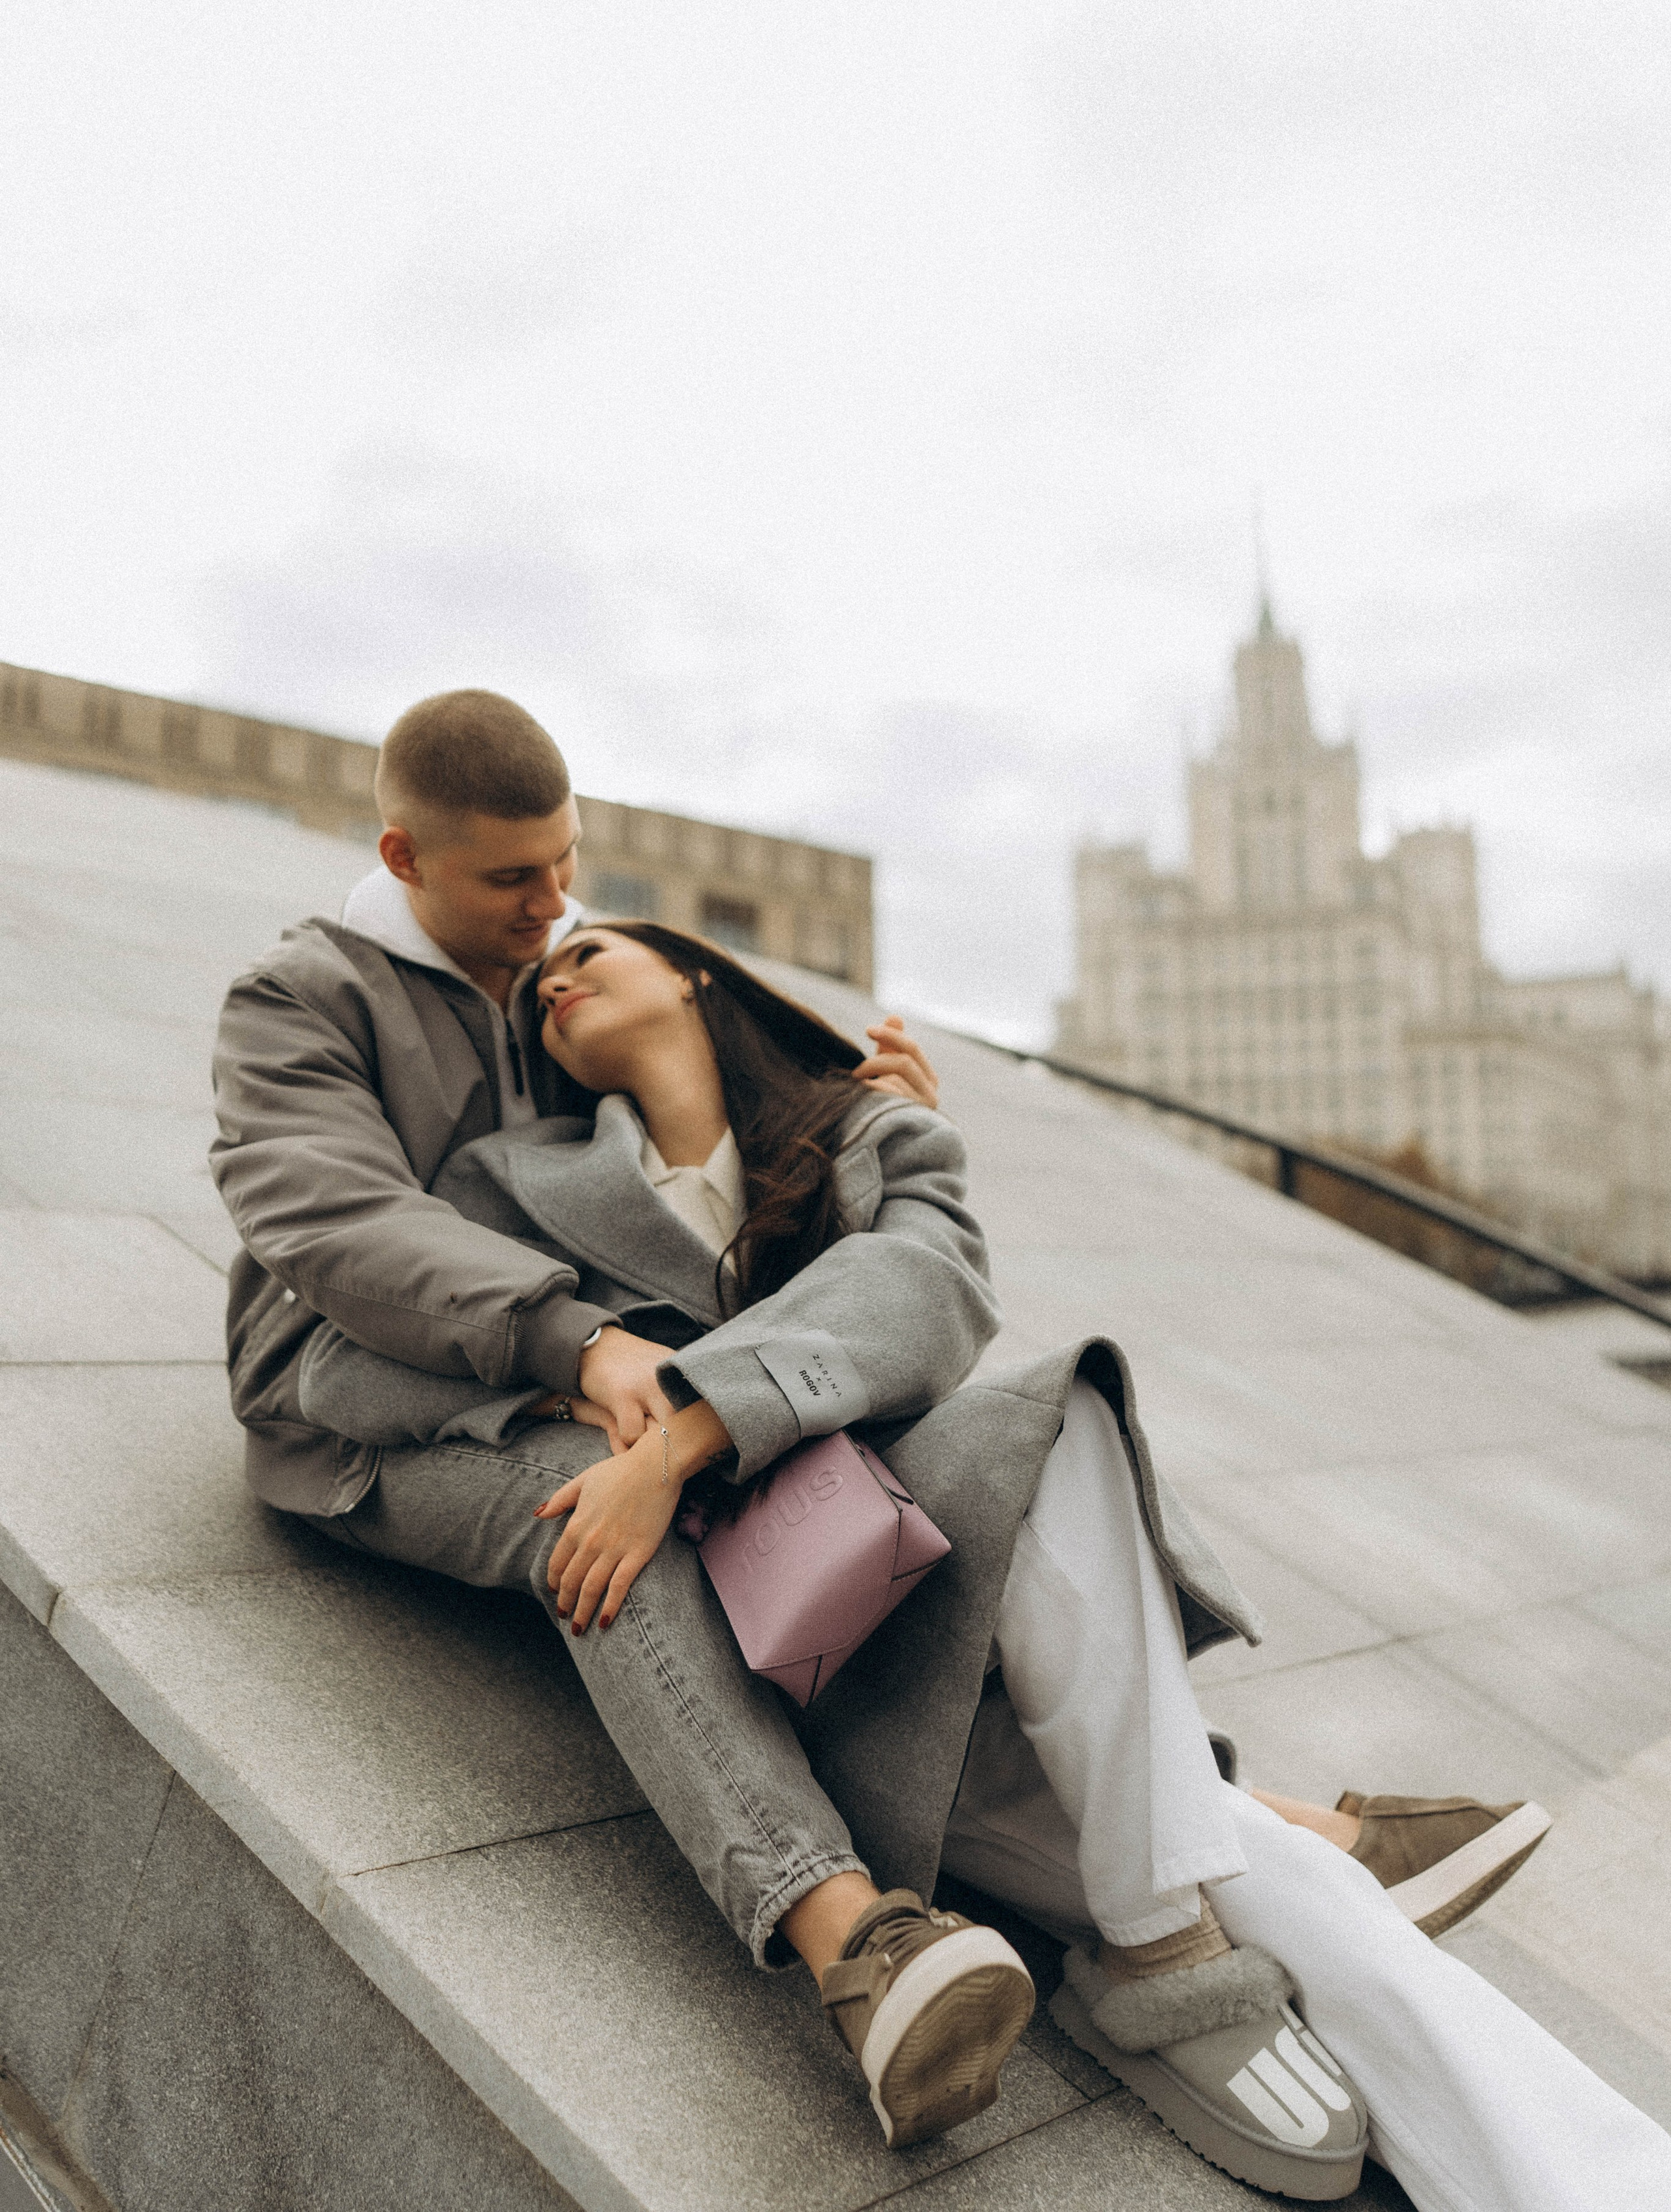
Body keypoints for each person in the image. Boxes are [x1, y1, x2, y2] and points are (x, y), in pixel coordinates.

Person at [208, 693, 1661, 2202]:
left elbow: (924, 1294)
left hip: (804, 1513)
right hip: (413, 1404)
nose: (557, 923)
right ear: (403, 856)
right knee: (617, 1523)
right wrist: (595, 1357)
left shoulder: (837, 1128)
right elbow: (342, 1227)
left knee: (1060, 1415)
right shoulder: (369, 1043)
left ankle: (1312, 1965)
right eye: (526, 896)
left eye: (581, 894)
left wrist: (739, 1345)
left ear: (706, 982)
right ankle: (954, 1928)